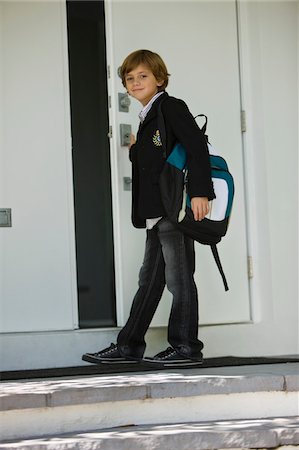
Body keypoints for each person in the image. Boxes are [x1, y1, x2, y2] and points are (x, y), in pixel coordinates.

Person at [82, 49, 215, 367]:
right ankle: (128, 346)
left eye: (143, 75)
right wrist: (136, 150)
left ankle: (186, 347)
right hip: (157, 213)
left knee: (179, 279)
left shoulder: (171, 107)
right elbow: (156, 159)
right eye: (130, 78)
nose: (135, 82)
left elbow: (196, 146)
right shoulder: (147, 118)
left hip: (174, 210)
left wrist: (200, 193)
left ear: (159, 78)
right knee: (150, 280)